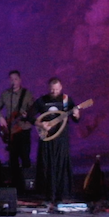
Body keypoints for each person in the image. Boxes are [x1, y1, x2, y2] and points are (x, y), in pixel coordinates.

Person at [33, 77, 81, 205]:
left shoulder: (66, 100)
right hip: (47, 139)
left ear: (61, 88)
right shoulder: (42, 100)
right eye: (52, 89)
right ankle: (47, 194)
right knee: (47, 166)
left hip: (61, 139)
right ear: (49, 88)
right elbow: (30, 116)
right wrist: (40, 124)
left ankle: (61, 195)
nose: (54, 92)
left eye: (57, 89)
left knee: (61, 166)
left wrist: (76, 115)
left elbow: (76, 118)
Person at [0, 70, 35, 174]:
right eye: (11, 79)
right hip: (11, 130)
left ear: (20, 80)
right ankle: (16, 181)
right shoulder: (5, 94)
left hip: (23, 128)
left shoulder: (26, 94)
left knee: (25, 156)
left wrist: (28, 115)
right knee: (13, 159)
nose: (13, 81)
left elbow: (33, 109)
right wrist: (0, 117)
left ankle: (26, 180)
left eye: (16, 79)